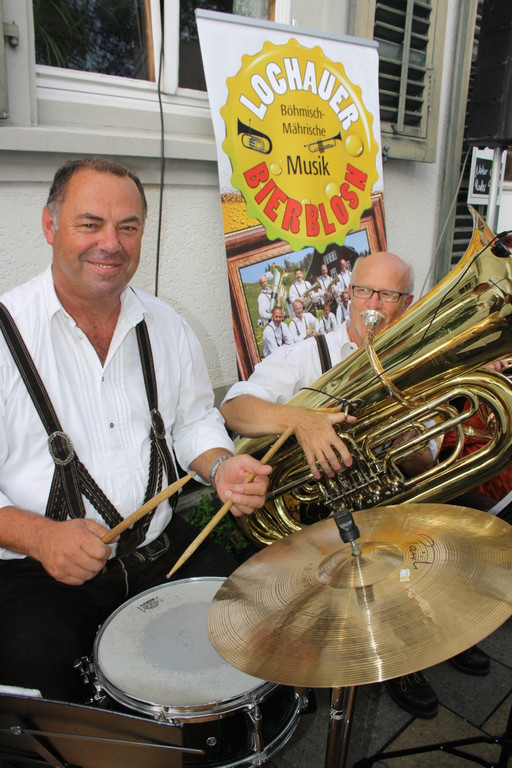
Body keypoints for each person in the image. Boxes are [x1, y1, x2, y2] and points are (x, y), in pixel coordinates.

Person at [0, 157, 271, 704]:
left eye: (128, 227)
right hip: (37, 576)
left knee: (252, 628)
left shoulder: (167, 325)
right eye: (90, 224)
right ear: (50, 226)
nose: (111, 244)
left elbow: (194, 422)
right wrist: (41, 537)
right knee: (50, 694)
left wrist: (221, 465)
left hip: (161, 552)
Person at [221, 250, 489, 718]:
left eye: (387, 295)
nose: (373, 304)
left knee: (452, 532)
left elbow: (426, 461)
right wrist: (300, 420)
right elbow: (235, 407)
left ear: (407, 304)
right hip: (317, 512)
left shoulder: (416, 367)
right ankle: (380, 651)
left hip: (388, 504)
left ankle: (425, 638)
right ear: (349, 294)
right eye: (364, 291)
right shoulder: (308, 355)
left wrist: (407, 443)